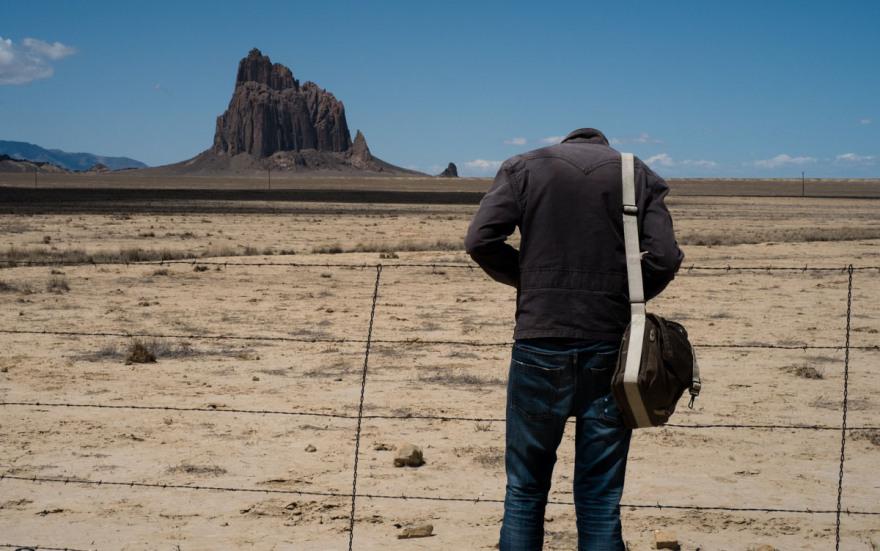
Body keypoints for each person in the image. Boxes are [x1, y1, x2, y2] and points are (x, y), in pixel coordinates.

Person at [464, 128, 683, 550]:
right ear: (604, 145)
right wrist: (624, 296)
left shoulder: (522, 167)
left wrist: (530, 283)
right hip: (610, 346)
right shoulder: (633, 172)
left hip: (538, 341)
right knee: (600, 498)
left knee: (525, 491)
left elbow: (479, 240)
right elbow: (666, 256)